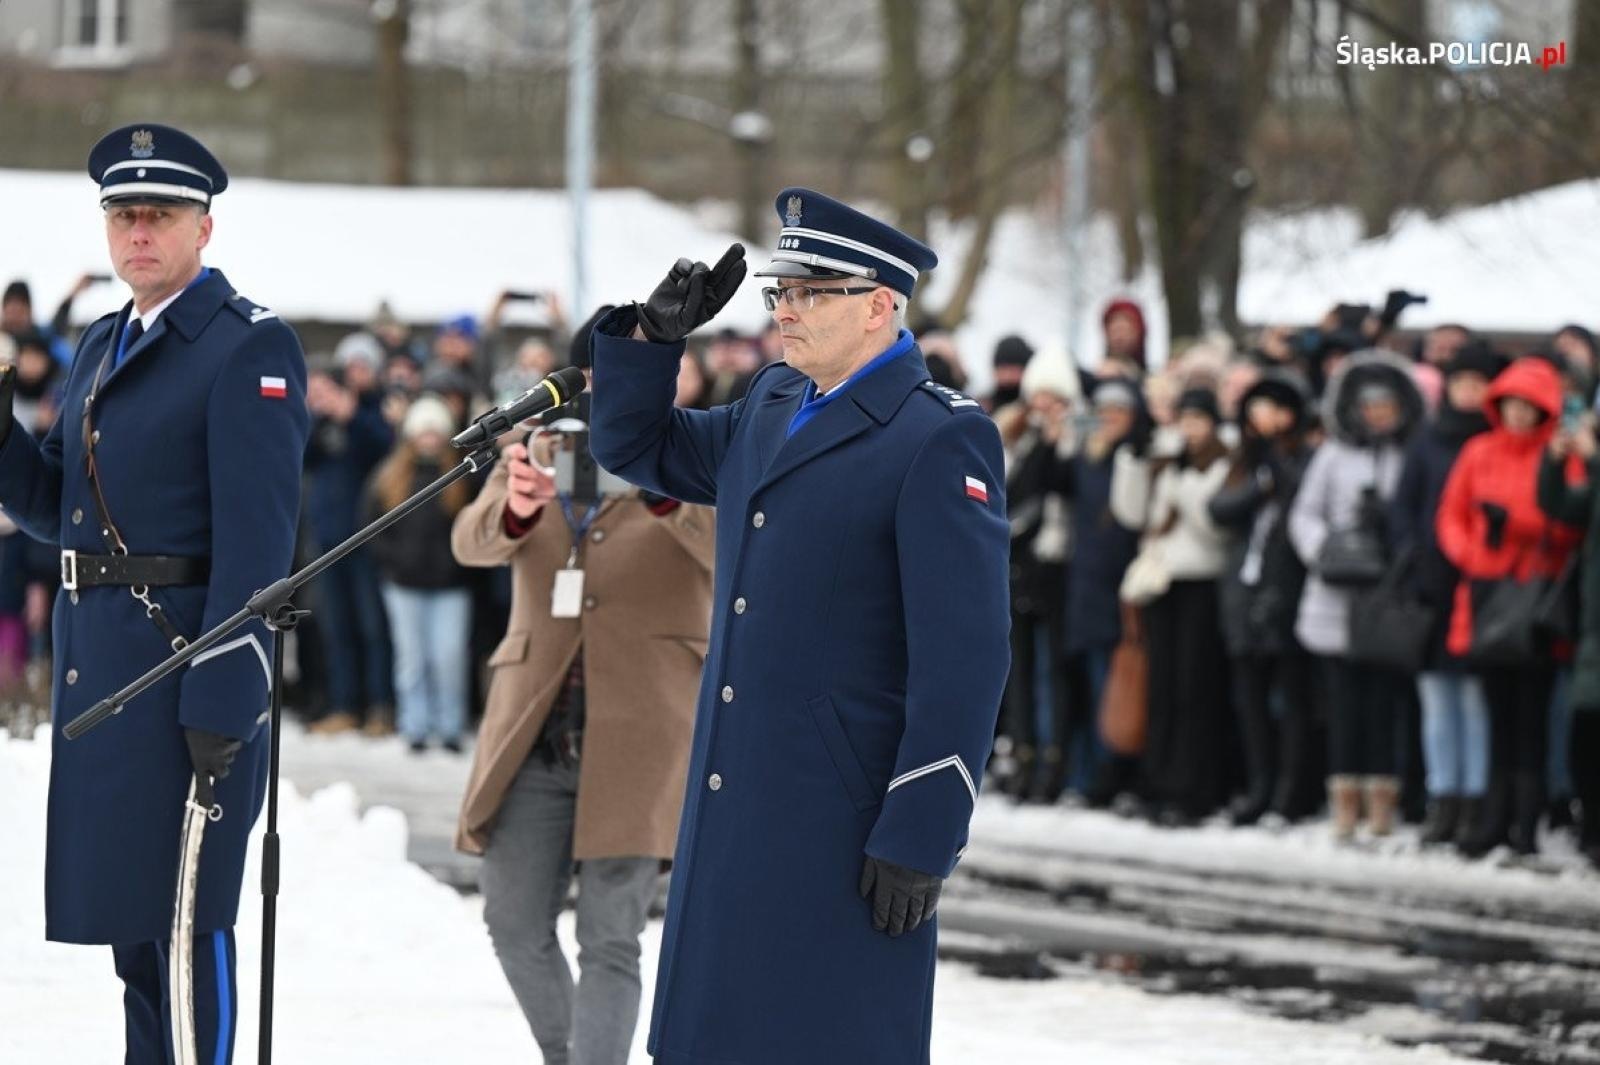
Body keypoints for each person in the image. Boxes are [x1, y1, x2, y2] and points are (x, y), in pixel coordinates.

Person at [588, 188, 1009, 1065]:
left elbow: (964, 659)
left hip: (841, 815)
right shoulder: (774, 399)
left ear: (880, 306)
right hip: (733, 792)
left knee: (825, 1038)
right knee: (712, 1036)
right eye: (782, 290)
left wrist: (924, 826)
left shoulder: (935, 438)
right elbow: (640, 450)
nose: (786, 308)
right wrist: (650, 344)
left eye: (812, 291)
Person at [0, 124, 308, 1064]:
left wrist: (224, 696)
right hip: (106, 680)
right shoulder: (101, 343)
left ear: (203, 228)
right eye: (123, 214)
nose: (139, 232)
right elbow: (56, 506)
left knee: (184, 931)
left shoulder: (246, 346)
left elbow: (259, 551)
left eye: (161, 215)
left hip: (184, 680)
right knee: (138, 937)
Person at [451, 316, 715, 1064]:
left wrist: (665, 496)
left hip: (641, 733)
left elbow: (731, 550)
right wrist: (517, 506)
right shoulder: (544, 443)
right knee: (511, 918)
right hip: (535, 728)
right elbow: (470, 541)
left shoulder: (691, 450)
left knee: (610, 936)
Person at [1436, 357, 1582, 856]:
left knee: (1532, 717)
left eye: (1529, 407)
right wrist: (1476, 555)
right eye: (1511, 406)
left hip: (1537, 604)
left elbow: (1570, 521)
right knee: (1495, 714)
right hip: (1487, 596)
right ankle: (1491, 816)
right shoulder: (1479, 451)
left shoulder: (1560, 454)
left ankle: (1527, 819)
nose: (1519, 416)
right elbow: (1451, 517)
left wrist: (1520, 532)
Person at [1289, 352, 1423, 840]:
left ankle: (1382, 800)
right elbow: (1303, 514)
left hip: (1387, 601)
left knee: (1383, 705)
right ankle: (1344, 800)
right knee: (1342, 705)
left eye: (1386, 404)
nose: (1377, 414)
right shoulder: (1332, 455)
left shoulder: (1410, 455)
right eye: (1368, 405)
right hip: (1336, 597)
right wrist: (1327, 549)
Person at [1389, 342, 1505, 848]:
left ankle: (1476, 799)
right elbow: (1404, 508)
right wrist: (1414, 560)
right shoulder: (1426, 442)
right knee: (1437, 701)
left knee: (1475, 700)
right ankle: (1444, 796)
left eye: (1478, 384)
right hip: (1431, 588)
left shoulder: (1496, 441)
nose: (1468, 392)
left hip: (1484, 590)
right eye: (1460, 383)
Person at [1111, 387, 1233, 824]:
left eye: (1198, 419)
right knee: (1160, 688)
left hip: (1200, 581)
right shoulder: (1172, 462)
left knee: (1193, 690)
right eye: (1184, 419)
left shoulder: (1222, 462)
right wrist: (1132, 462)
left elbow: (1215, 529)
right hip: (1161, 585)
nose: (1190, 428)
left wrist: (1187, 488)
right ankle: (1157, 782)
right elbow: (1132, 514)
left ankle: (1193, 789)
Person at [1209, 372, 1318, 824]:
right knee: (1249, 700)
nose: (1262, 418)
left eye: (1272, 408)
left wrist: (1278, 473)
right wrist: (1260, 484)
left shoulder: (1307, 459)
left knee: (1292, 701)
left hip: (1287, 593)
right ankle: (1259, 787)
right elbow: (1219, 508)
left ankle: (1290, 793)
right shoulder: (1247, 462)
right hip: (1244, 593)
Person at [366, 394, 474, 753]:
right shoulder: (390, 476)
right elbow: (372, 526)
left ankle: (449, 726)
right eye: (423, 432)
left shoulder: (461, 474)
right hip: (403, 584)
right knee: (411, 659)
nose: (429, 439)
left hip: (450, 586)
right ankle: (414, 725)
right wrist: (394, 562)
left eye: (435, 432)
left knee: (448, 657)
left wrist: (458, 565)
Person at [303, 332, 396, 735]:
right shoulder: (318, 424)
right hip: (327, 541)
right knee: (336, 627)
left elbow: (385, 448)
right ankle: (344, 706)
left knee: (373, 627)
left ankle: (380, 707)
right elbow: (302, 458)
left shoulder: (373, 414)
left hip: (368, 539)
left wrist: (351, 415)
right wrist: (316, 414)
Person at [1537, 410, 1600, 869]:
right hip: (1593, 631)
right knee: (1584, 735)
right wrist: (1555, 463)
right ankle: (1592, 829)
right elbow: (1559, 505)